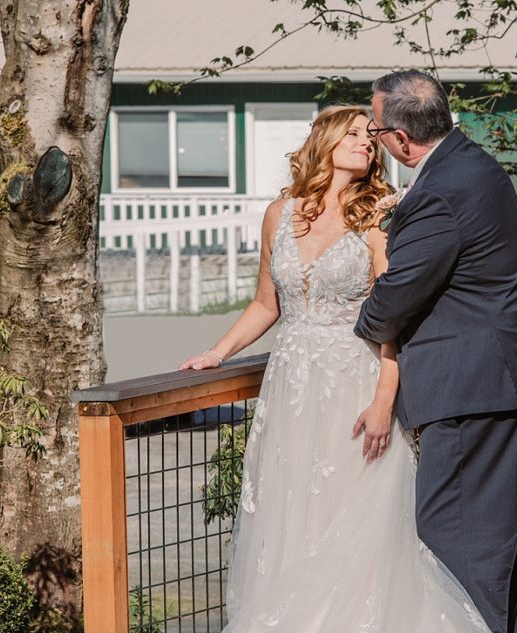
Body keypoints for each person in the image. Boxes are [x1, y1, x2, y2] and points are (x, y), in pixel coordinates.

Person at [180, 105, 492, 632]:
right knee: (292, 514)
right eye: (354, 134)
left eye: (371, 138)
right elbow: (266, 304)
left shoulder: (376, 215)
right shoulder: (280, 213)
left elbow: (392, 314)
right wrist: (218, 352)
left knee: (355, 520)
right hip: (291, 388)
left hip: (356, 381)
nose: (367, 143)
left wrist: (383, 400)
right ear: (323, 141)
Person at [354, 70, 517, 633]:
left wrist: (363, 320)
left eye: (374, 128)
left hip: (472, 389)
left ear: (400, 138)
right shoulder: (474, 162)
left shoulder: (439, 190)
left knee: (456, 551)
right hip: (505, 378)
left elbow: (398, 293)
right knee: (497, 555)